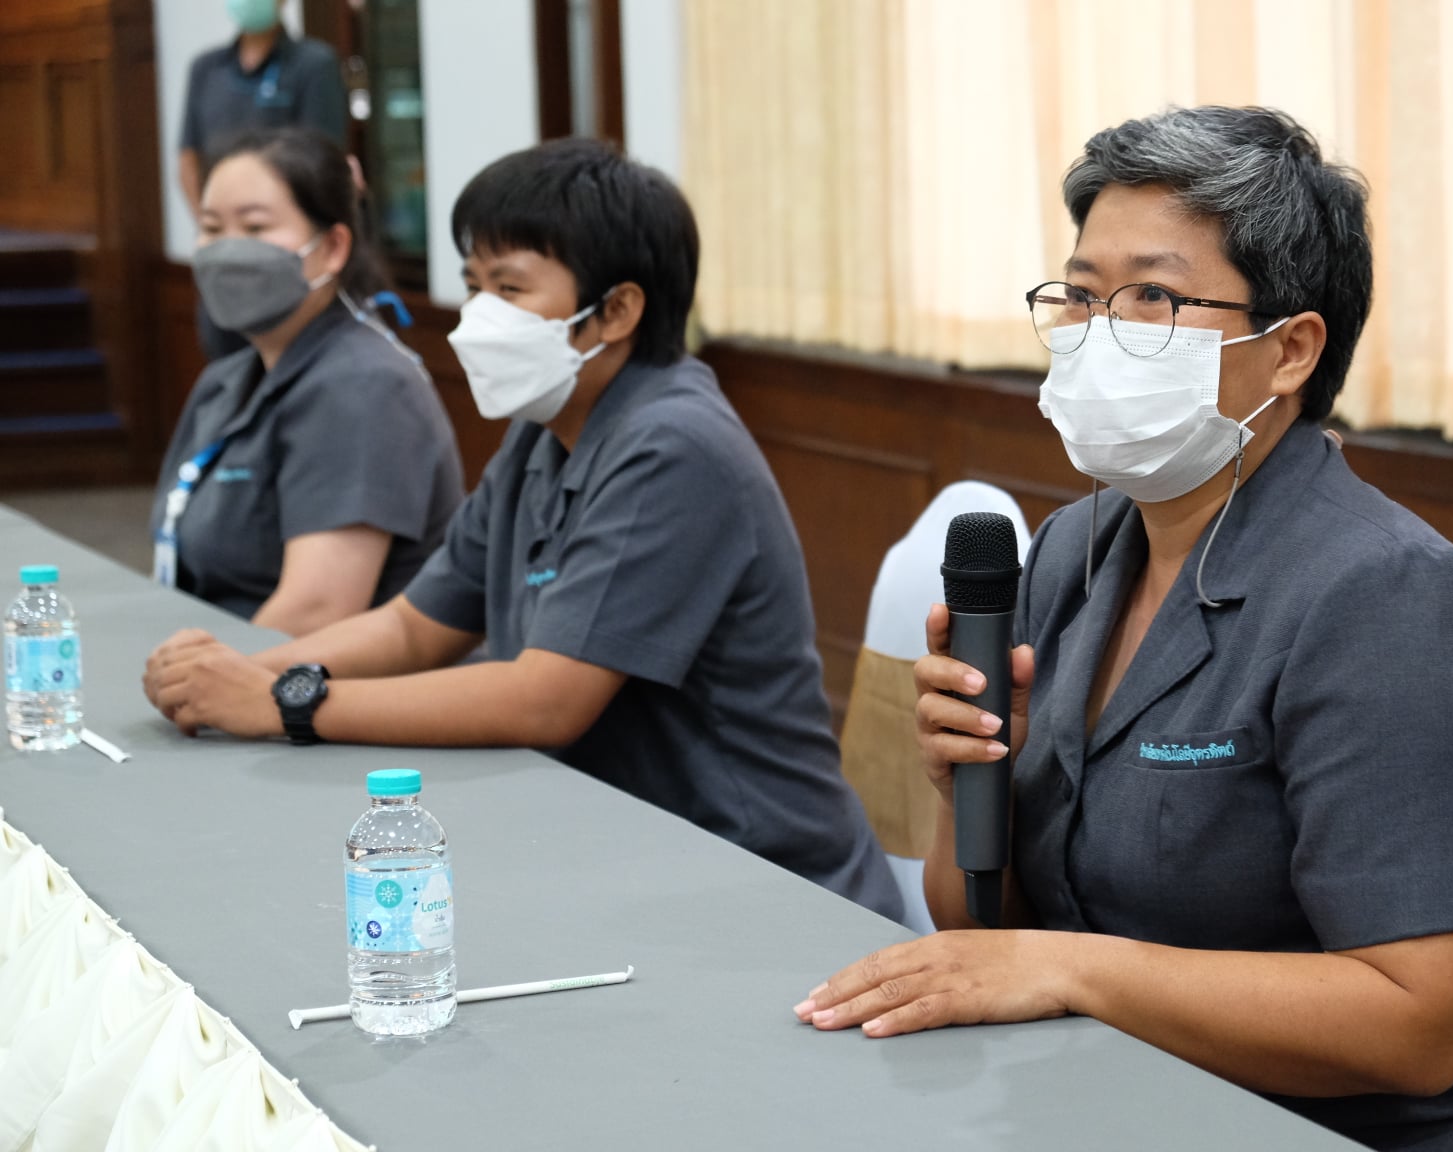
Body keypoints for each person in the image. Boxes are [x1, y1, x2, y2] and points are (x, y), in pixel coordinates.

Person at [794, 108, 1453, 1151]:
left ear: (1290, 351)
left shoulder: (1391, 599)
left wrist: (1070, 968)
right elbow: (990, 934)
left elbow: (1419, 1024)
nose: (1097, 329)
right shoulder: (1075, 550)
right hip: (1117, 1101)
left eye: (1152, 297)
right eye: (1079, 295)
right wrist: (967, 795)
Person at [142, 138, 904, 922]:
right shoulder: (545, 432)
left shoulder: (674, 445)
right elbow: (413, 628)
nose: (478, 317)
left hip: (758, 888)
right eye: (474, 285)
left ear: (616, 310)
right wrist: (241, 669)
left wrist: (287, 703)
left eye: (510, 288)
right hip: (610, 850)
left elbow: (545, 701)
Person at [149, 126, 463, 637]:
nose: (228, 250)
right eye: (211, 227)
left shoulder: (366, 386)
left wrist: (195, 684)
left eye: (254, 227)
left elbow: (317, 610)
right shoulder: (226, 380)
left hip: (301, 695)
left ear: (333, 246)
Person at [179, 0, 347, 360]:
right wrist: (219, 232)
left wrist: (258, 231)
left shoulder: (313, 64)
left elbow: (322, 168)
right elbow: (188, 158)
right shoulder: (206, 68)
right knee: (228, 375)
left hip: (286, 269)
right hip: (222, 272)